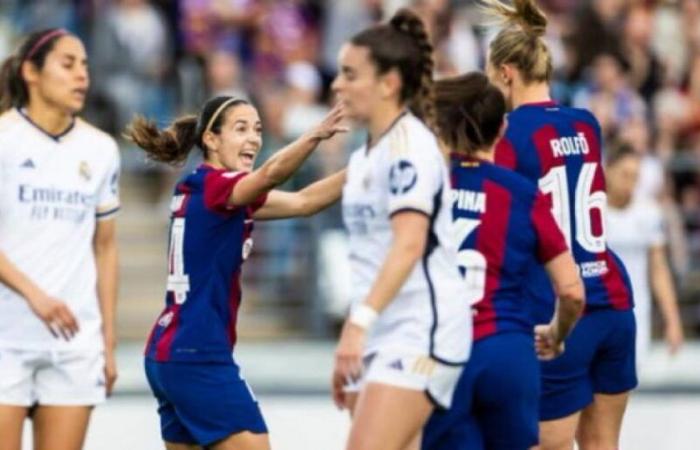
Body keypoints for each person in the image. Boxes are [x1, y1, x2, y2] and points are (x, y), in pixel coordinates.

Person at [127, 95, 347, 450]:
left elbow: (305, 202)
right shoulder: (217, 186)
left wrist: (367, 166)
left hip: (168, 354)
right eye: (240, 128)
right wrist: (315, 135)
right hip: (199, 353)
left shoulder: (209, 189)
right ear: (211, 139)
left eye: (258, 130)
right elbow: (272, 174)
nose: (254, 139)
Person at [485, 1, 637, 449]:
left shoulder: (508, 134)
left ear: (507, 72)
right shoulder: (586, 123)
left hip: (556, 309)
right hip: (611, 297)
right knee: (602, 444)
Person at [331, 8, 471, 450]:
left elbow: (409, 245)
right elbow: (370, 257)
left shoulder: (410, 148)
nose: (337, 85)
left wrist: (357, 325)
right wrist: (357, 335)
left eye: (350, 75)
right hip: (385, 333)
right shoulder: (365, 155)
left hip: (421, 331)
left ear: (389, 83)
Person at [421, 72, 585, 450]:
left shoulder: (427, 188)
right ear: (503, 127)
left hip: (442, 350)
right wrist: (556, 335)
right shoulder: (522, 193)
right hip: (507, 350)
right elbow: (573, 292)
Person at [0, 28, 120, 450]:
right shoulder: (4, 139)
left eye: (85, 66)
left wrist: (106, 341)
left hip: (74, 342)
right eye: (68, 64)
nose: (81, 76)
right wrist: (36, 296)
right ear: (32, 72)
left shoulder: (101, 148)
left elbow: (105, 248)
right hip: (5, 335)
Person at [605, 144, 684, 364]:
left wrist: (673, 320)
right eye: (625, 175)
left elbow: (659, 270)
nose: (630, 183)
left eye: (635, 177)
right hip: (598, 309)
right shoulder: (592, 211)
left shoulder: (648, 212)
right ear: (607, 170)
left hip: (636, 311)